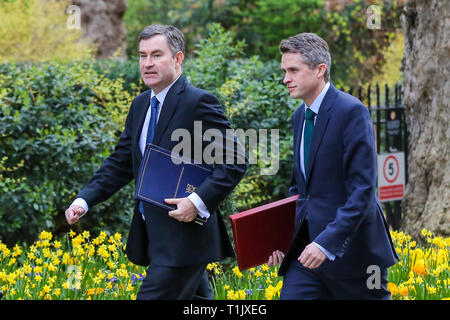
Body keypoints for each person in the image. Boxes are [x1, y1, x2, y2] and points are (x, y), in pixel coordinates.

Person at [65, 25, 247, 300]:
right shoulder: (140, 105)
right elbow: (122, 162)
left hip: (184, 242)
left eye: (157, 55)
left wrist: (196, 202)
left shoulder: (199, 102)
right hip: (155, 239)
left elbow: (235, 160)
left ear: (178, 59)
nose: (147, 63)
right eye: (142, 55)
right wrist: (84, 200)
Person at [268, 33, 398, 299]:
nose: (285, 79)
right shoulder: (299, 117)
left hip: (355, 258)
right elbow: (301, 189)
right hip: (305, 258)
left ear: (320, 70)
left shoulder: (351, 111)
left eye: (293, 70)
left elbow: (362, 191)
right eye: (284, 71)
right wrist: (283, 241)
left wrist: (327, 244)